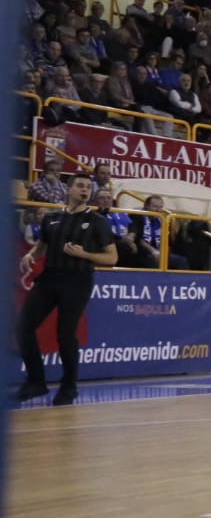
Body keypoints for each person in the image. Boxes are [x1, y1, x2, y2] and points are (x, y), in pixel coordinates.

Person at [15, 172, 118, 406]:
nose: (84, 190)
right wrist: (31, 255)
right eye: (80, 186)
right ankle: (36, 382)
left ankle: (69, 387)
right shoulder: (51, 218)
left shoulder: (97, 222)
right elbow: (42, 246)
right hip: (49, 277)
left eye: (87, 187)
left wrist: (85, 254)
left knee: (65, 334)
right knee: (23, 327)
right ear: (69, 189)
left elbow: (112, 256)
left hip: (78, 280)